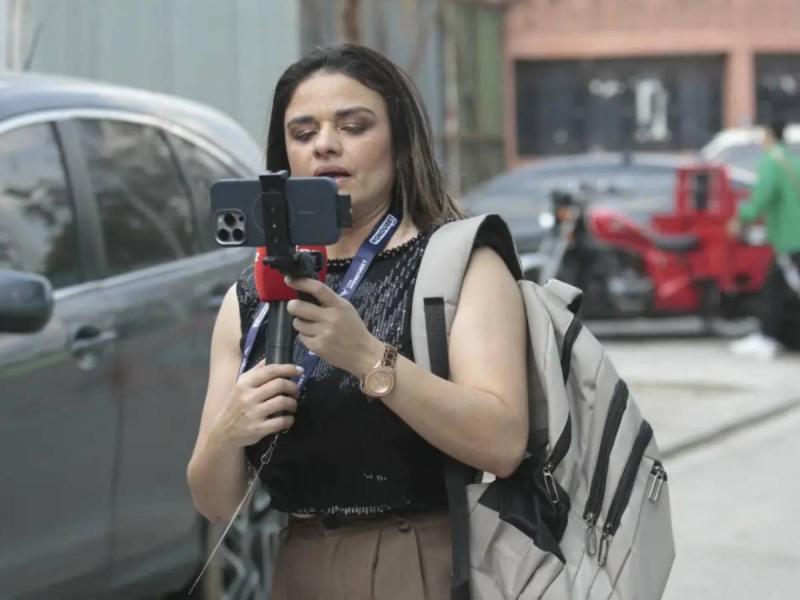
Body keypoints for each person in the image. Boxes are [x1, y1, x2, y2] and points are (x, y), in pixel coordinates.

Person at [186, 44, 528, 600]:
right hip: (298, 561)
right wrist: (230, 429)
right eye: (303, 133)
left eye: (354, 125)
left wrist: (370, 358)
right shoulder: (253, 294)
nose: (325, 144)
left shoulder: (459, 261)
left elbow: (503, 441)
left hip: (422, 558)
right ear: (284, 158)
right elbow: (215, 501)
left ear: (399, 141)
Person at [728, 117, 800, 359]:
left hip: (790, 237)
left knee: (774, 287)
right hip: (792, 237)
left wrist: (742, 216)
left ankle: (767, 338)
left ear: (769, 135)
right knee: (774, 286)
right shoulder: (790, 159)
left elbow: (763, 196)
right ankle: (767, 335)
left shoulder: (772, 161)